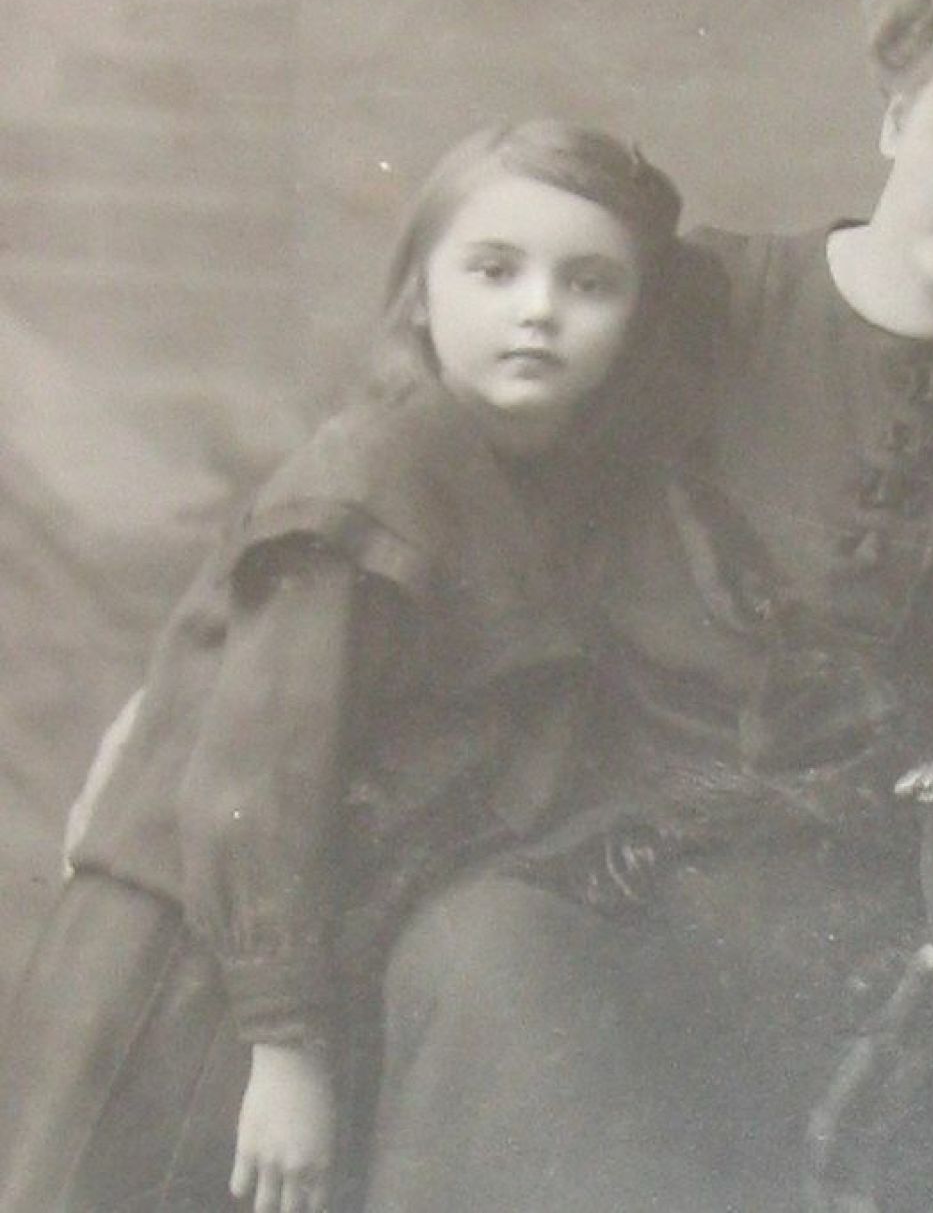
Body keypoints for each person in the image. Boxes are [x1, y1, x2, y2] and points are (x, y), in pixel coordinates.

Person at [361, 0, 933, 1212]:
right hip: (593, 858)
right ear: (894, 118)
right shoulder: (688, 300)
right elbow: (398, 477)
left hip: (894, 925)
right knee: (498, 967)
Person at [0, 119, 706, 1213]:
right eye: (494, 270)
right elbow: (259, 789)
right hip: (191, 969)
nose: (539, 309)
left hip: (303, 955)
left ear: (638, 318)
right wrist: (285, 1046)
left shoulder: (537, 477)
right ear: (419, 293)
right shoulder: (366, 484)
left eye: (591, 283)